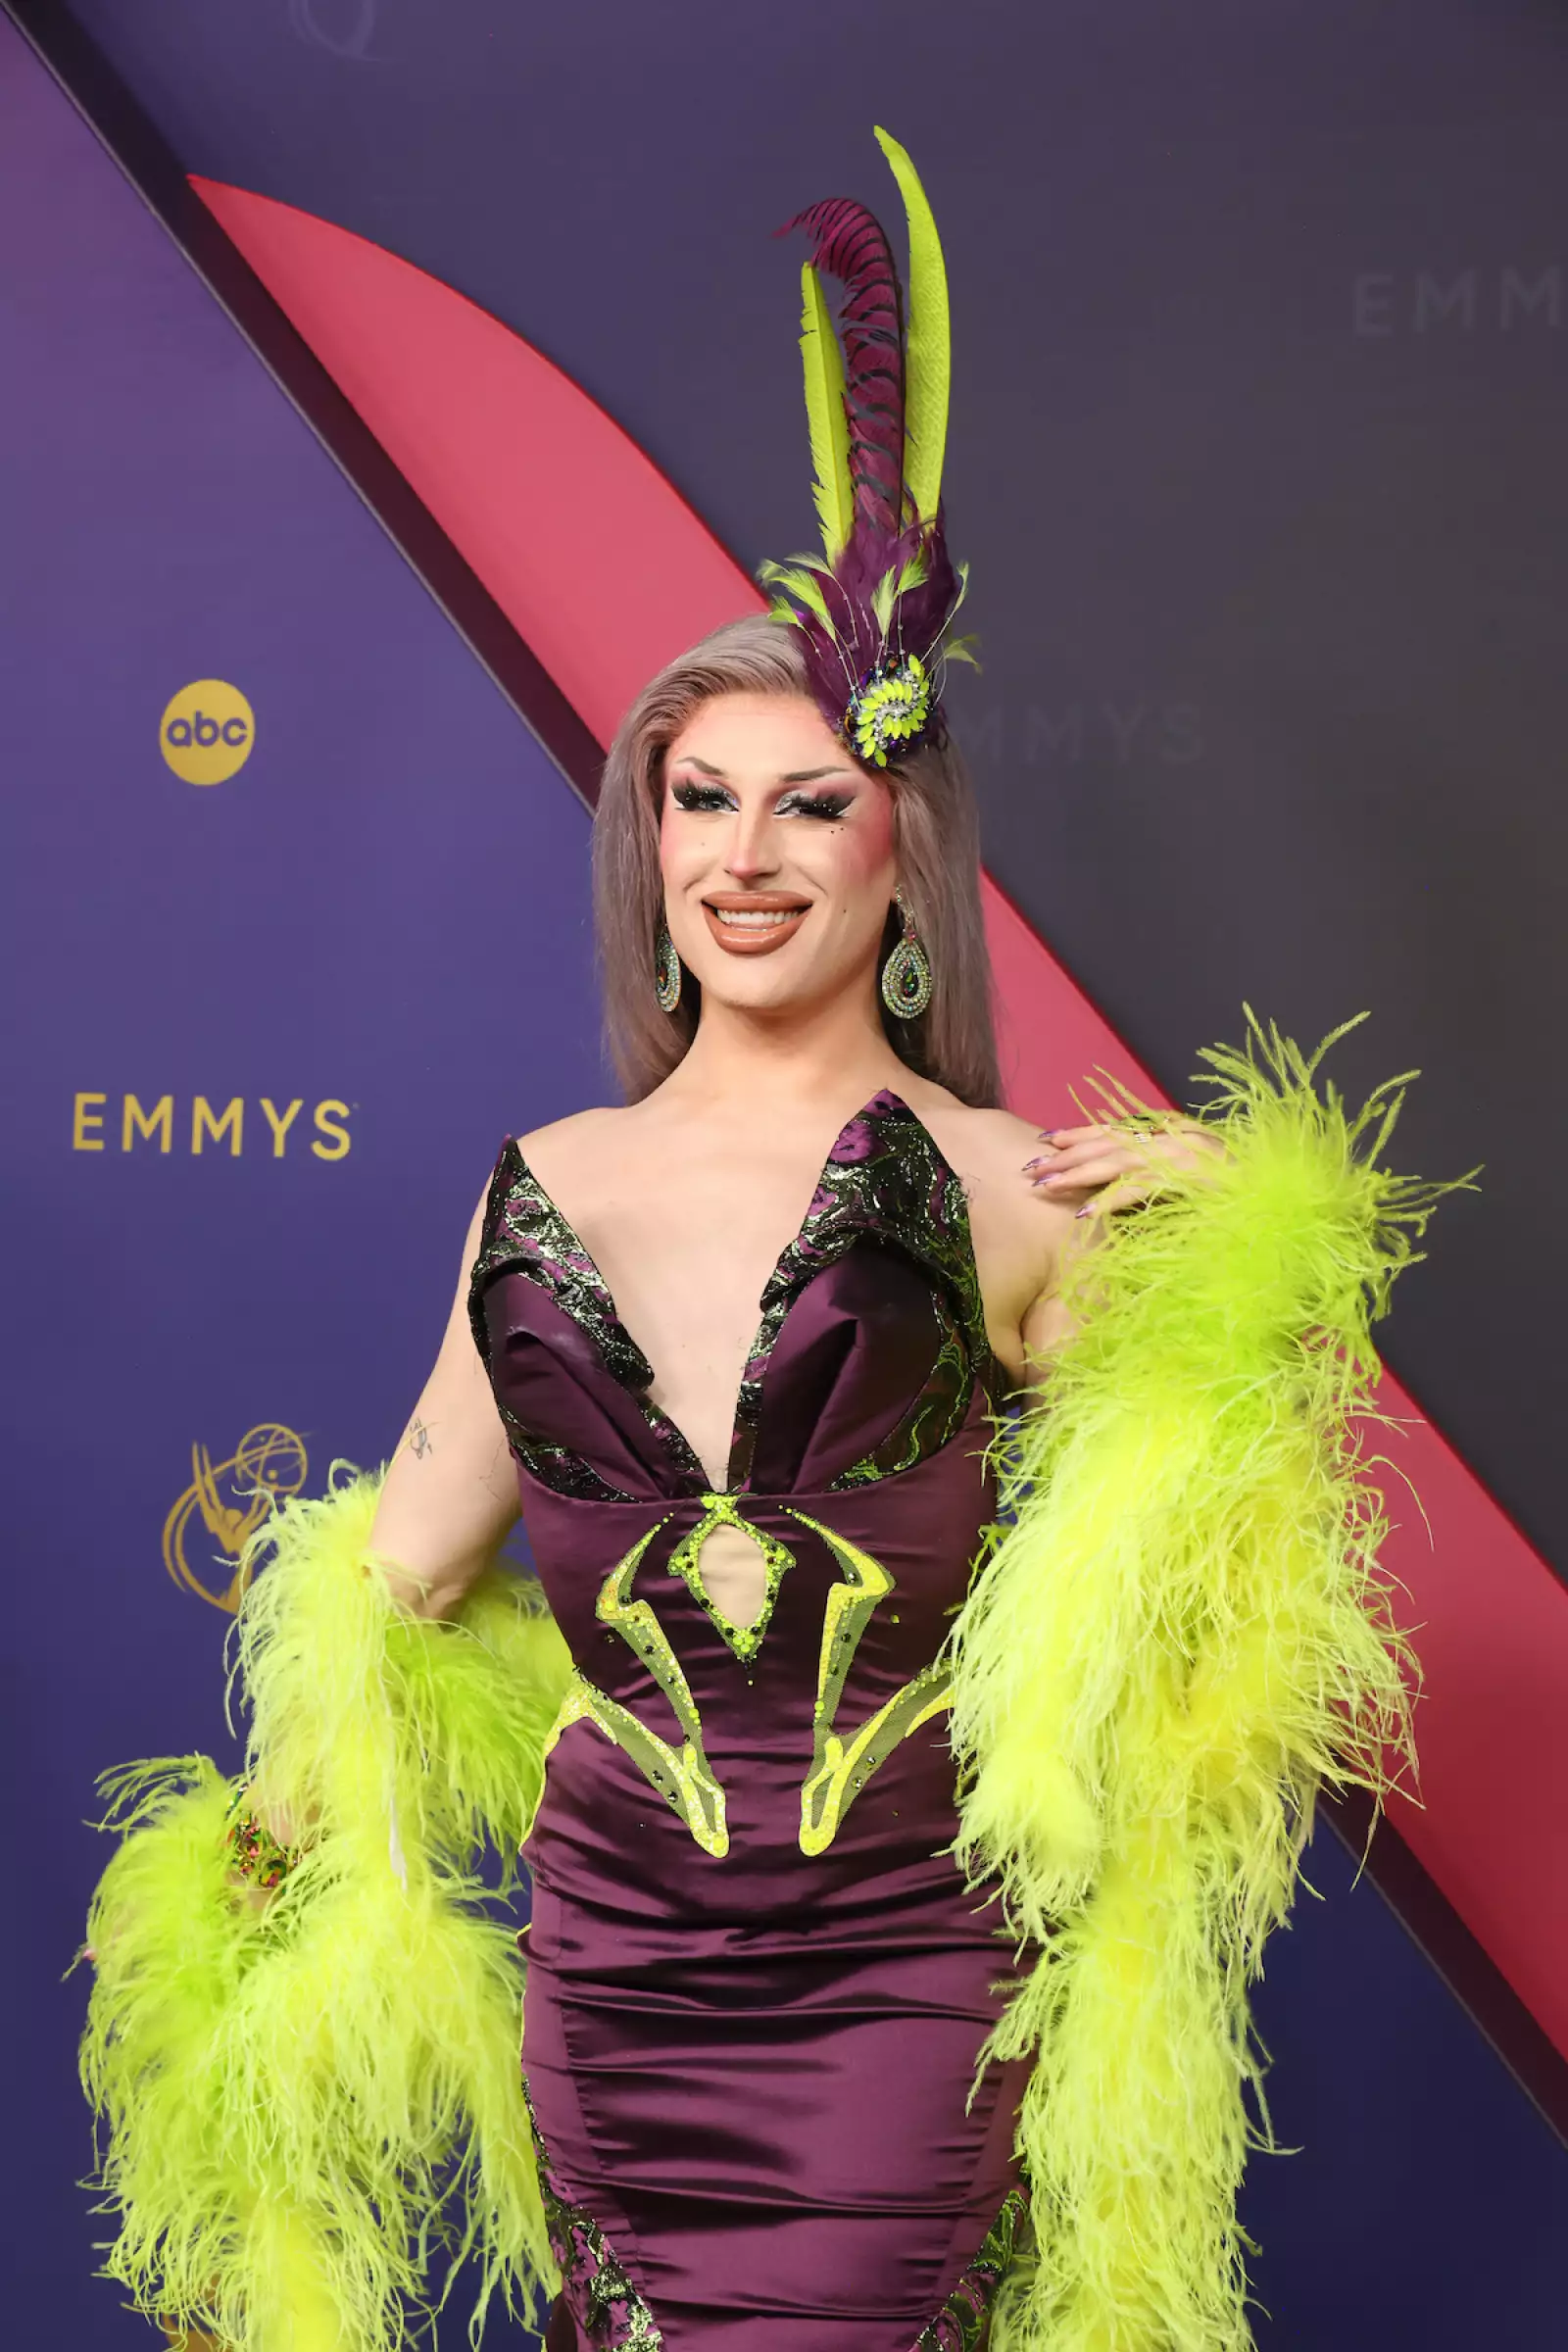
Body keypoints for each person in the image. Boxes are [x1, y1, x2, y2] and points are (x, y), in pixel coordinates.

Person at [81, 131, 1455, 2352]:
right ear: (647, 849)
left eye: (807, 801)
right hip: (613, 1975)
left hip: (904, 1977)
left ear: (900, 863)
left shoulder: (1016, 1190)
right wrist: (261, 1861)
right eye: (695, 801)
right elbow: (409, 1558)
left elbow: (1199, 1612)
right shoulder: (542, 1180)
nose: (742, 854)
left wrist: (1254, 1279)